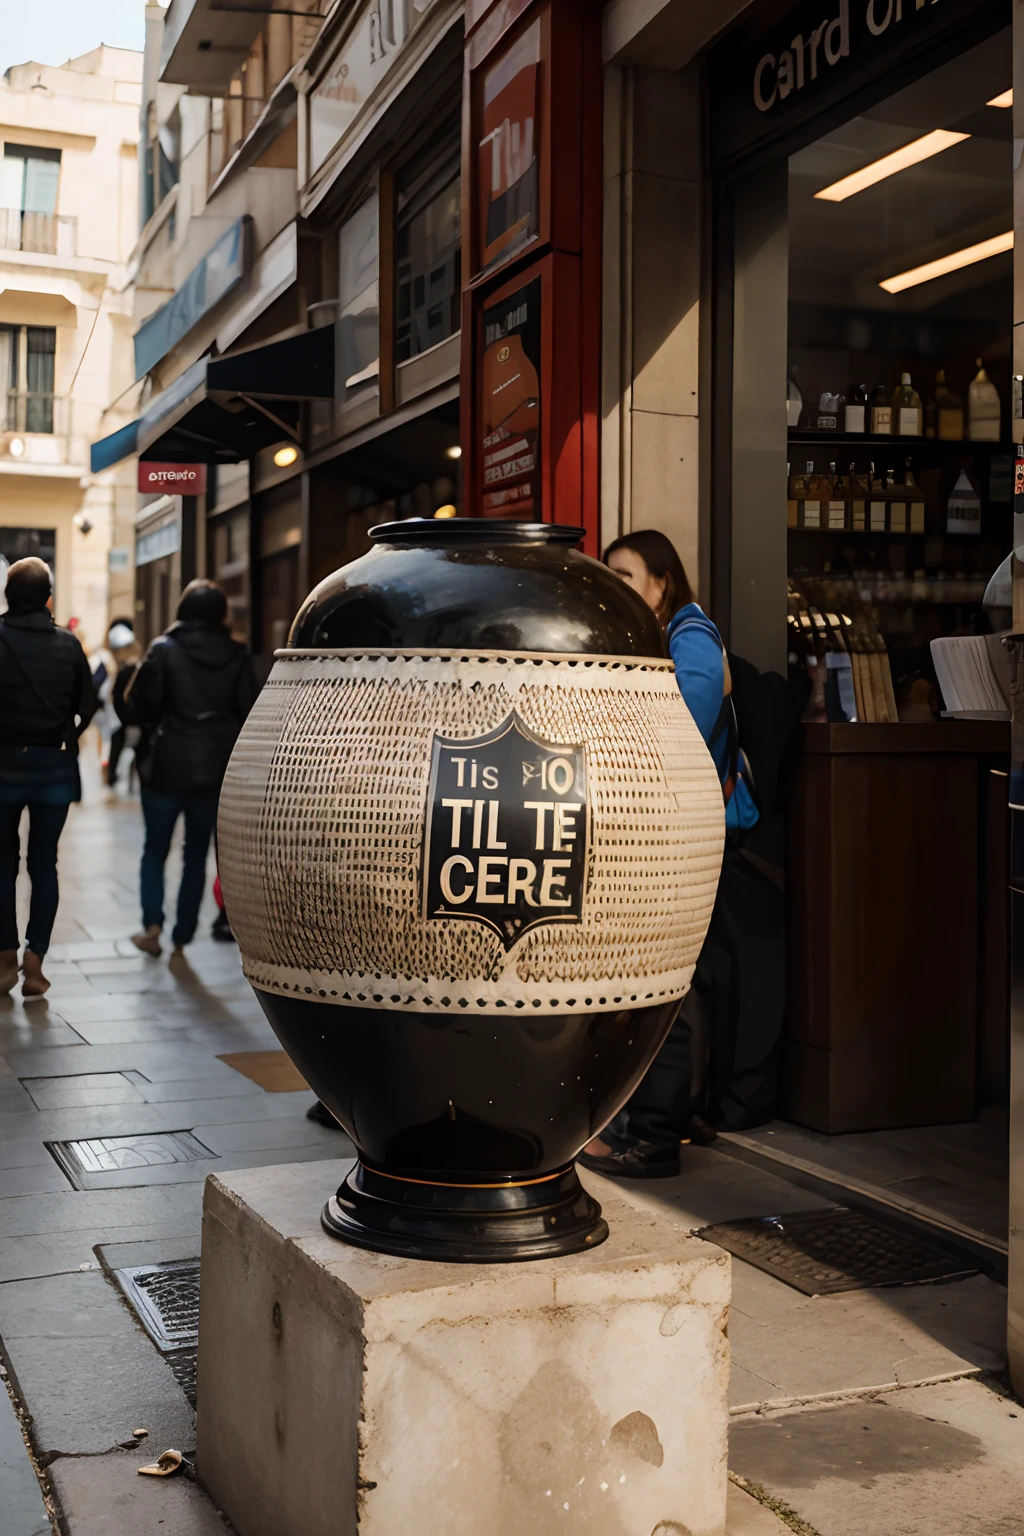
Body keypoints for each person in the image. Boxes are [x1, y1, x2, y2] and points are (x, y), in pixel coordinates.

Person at [579, 530, 793, 1180]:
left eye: (625, 574)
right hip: (678, 831)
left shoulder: (691, 638)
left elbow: (682, 733)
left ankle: (654, 1136)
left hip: (692, 836)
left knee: (661, 981)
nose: (613, 585)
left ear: (662, 582)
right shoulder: (658, 639)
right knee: (682, 986)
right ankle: (670, 1118)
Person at [123, 579, 259, 956]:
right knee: (196, 852)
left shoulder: (163, 649)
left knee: (155, 848)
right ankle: (182, 935)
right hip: (215, 770)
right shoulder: (238, 653)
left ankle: (152, 925)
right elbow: (249, 709)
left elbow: (138, 703)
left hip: (167, 765)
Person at [0, 558, 98, 997]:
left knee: (2, 864)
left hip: (2, 766)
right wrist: (65, 736)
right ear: (47, 598)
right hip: (54, 767)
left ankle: (3, 961)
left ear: (7, 596)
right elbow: (89, 705)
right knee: (45, 864)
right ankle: (34, 964)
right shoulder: (69, 644)